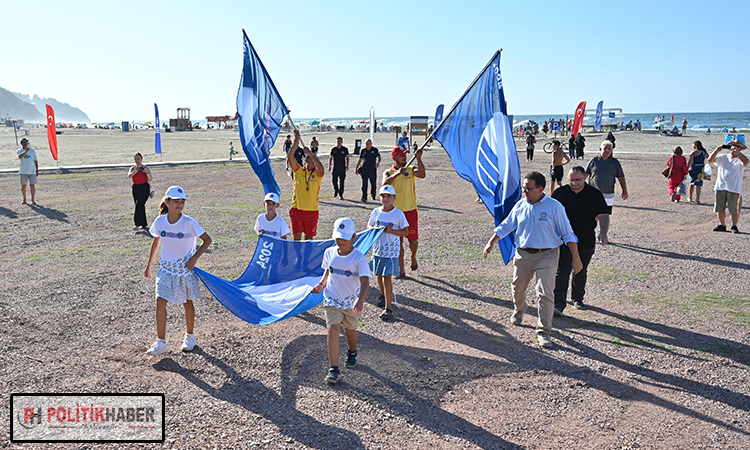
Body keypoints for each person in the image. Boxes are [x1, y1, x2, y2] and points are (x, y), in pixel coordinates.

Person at [483, 171, 582, 348]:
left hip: (548, 255)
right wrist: (491, 242)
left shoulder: (555, 207)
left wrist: (576, 258)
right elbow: (507, 225)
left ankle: (544, 331)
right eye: (523, 188)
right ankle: (520, 309)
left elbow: (568, 233)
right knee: (517, 287)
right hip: (523, 254)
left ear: (540, 189)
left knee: (545, 292)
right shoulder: (521, 205)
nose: (524, 192)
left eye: (528, 188)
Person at [144, 186, 212, 356]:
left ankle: (189, 337)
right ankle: (160, 342)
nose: (180, 204)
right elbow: (156, 243)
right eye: (176, 201)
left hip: (185, 271)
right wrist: (149, 265)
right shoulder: (160, 222)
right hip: (166, 269)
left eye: (182, 201)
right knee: (160, 301)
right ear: (167, 202)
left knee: (187, 303)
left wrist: (194, 259)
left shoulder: (189, 222)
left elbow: (207, 240)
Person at [311, 218, 371, 385]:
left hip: (351, 302)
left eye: (344, 238)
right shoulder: (329, 252)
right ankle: (333, 369)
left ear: (353, 238)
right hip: (332, 299)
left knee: (350, 331)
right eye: (338, 238)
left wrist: (360, 299)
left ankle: (352, 351)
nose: (340, 241)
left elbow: (365, 280)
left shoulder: (358, 258)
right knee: (333, 330)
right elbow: (328, 271)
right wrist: (321, 284)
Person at [553, 167, 609, 314]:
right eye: (571, 180)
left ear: (584, 177)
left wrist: (603, 232)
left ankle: (577, 298)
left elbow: (603, 215)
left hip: (585, 240)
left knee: (580, 270)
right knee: (562, 270)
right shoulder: (559, 194)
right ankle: (558, 304)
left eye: (577, 179)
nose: (574, 183)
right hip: (562, 240)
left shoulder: (594, 194)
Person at [368, 185, 409, 321]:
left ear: (394, 198)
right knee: (378, 275)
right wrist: (374, 228)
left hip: (391, 252)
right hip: (378, 250)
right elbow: (369, 225)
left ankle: (388, 308)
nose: (385, 199)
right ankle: (382, 294)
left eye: (388, 196)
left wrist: (392, 231)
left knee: (387, 278)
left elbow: (406, 231)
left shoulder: (398, 214)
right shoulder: (376, 212)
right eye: (383, 196)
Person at [383, 146, 425, 276]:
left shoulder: (410, 170)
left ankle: (413, 256)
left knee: (413, 241)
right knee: (398, 243)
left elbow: (422, 174)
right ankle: (401, 270)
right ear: (394, 157)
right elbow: (384, 184)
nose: (404, 157)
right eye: (401, 155)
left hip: (410, 211)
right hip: (396, 213)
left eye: (405, 154)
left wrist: (418, 159)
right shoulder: (389, 172)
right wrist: (397, 174)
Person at [585, 140, 628, 237]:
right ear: (600, 149)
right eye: (605, 148)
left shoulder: (615, 162)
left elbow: (621, 177)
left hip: (608, 193)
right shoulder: (594, 161)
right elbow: (585, 175)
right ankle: (591, 231)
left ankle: (603, 233)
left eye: (610, 149)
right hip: (593, 193)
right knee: (592, 214)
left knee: (605, 214)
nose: (607, 151)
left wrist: (624, 191)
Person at [288, 131, 325, 240]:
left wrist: (311, 154)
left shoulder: (317, 175)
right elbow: (290, 157)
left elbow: (322, 169)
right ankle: (298, 257)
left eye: (314, 159)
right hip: (297, 210)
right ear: (306, 160)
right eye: (310, 158)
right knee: (296, 239)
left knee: (309, 240)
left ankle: (307, 257)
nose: (313, 160)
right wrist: (296, 141)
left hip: (312, 211)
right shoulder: (299, 171)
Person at [707, 139, 748, 233]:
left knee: (734, 208)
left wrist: (738, 153)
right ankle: (722, 225)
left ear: (740, 149)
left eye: (737, 147)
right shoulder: (723, 157)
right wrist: (717, 150)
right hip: (721, 186)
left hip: (734, 188)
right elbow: (710, 160)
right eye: (733, 146)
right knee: (720, 207)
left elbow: (746, 162)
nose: (734, 148)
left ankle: (734, 226)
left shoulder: (740, 159)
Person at [128, 152, 154, 231]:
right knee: (140, 205)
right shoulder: (133, 168)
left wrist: (146, 172)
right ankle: (143, 224)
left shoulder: (146, 168)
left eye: (138, 159)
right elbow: (129, 176)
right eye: (135, 159)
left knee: (139, 204)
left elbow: (150, 179)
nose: (137, 160)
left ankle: (136, 225)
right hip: (136, 188)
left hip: (144, 188)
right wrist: (134, 172)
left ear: (142, 159)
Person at [17, 137, 38, 205]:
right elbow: (20, 157)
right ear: (21, 143)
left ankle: (33, 199)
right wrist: (26, 151)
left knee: (32, 186)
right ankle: (24, 199)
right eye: (23, 142)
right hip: (23, 171)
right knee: (24, 186)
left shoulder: (32, 151)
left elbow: (35, 160)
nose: (25, 143)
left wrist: (37, 170)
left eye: (26, 142)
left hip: (32, 171)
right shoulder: (19, 151)